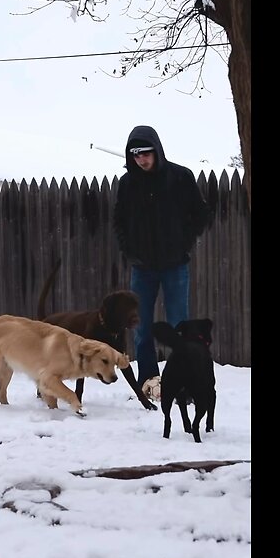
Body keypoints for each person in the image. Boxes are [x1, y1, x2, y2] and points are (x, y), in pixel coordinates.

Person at [112, 125, 213, 388]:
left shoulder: (180, 177)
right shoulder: (128, 183)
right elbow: (119, 221)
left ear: (156, 150)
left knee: (180, 327)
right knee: (141, 327)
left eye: (146, 153)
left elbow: (200, 214)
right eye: (135, 155)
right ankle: (148, 381)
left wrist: (183, 243)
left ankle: (184, 380)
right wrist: (129, 250)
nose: (141, 159)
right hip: (142, 268)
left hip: (175, 266)